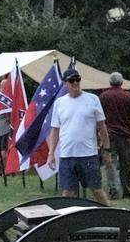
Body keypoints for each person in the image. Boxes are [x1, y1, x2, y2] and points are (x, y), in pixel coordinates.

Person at [47, 67, 111, 204]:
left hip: (88, 154)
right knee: (68, 193)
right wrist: (51, 153)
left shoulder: (93, 99)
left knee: (97, 190)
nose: (75, 83)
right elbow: (55, 130)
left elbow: (102, 126)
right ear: (65, 83)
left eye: (78, 79)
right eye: (72, 80)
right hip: (67, 155)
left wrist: (106, 149)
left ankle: (110, 213)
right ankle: (69, 217)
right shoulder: (59, 103)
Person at [98, 70, 130, 198]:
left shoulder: (103, 97)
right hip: (126, 136)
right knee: (125, 164)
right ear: (122, 82)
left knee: (110, 164)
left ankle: (114, 191)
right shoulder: (128, 96)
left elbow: (98, 118)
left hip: (109, 136)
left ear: (110, 82)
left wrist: (98, 134)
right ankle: (127, 190)